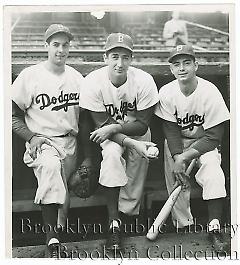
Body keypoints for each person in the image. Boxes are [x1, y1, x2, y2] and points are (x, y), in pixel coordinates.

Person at [12, 24, 91, 258]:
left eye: (65, 45)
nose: (61, 50)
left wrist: (87, 156)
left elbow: (85, 121)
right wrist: (31, 136)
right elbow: (10, 113)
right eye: (55, 44)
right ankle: (51, 239)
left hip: (70, 141)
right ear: (46, 46)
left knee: (63, 200)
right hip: (43, 142)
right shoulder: (30, 75)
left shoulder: (77, 78)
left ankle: (57, 236)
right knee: (50, 167)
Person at [79, 33, 159, 251]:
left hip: (135, 132)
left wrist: (115, 127)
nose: (120, 63)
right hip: (108, 136)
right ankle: (114, 223)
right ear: (105, 57)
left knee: (135, 178)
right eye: (115, 56)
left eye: (125, 57)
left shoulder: (143, 81)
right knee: (112, 156)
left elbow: (142, 124)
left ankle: (128, 220)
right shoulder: (93, 82)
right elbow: (100, 126)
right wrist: (114, 130)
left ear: (132, 59)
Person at [154, 44, 230, 252]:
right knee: (175, 179)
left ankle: (214, 226)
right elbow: (169, 130)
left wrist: (185, 156)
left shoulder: (210, 91)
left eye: (187, 63)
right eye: (176, 64)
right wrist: (178, 157)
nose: (182, 68)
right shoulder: (167, 92)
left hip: (204, 143)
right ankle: (183, 226)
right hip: (178, 142)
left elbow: (214, 136)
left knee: (214, 171)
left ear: (196, 65)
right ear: (171, 69)